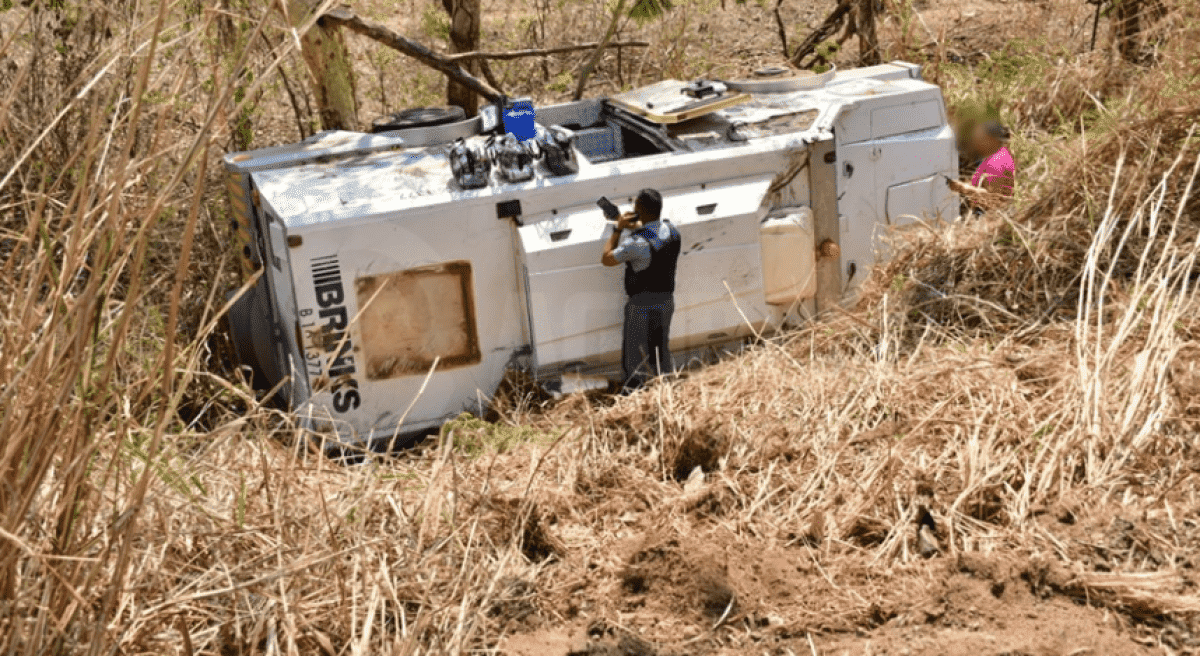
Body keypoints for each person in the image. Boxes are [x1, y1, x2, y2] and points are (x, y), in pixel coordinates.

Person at [601, 188, 681, 392]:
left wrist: (618, 229)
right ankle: (668, 391)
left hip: (642, 305)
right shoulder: (672, 232)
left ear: (641, 211)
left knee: (634, 356)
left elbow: (607, 259)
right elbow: (653, 233)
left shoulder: (636, 244)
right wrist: (632, 222)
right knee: (660, 350)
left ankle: (633, 394)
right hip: (666, 302)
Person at [947, 119, 1015, 213]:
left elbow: (991, 198)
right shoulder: (995, 155)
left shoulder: (998, 162)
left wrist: (961, 188)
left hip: (989, 215)